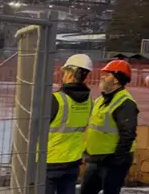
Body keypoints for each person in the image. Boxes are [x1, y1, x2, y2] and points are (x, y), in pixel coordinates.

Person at [80, 59, 139, 194]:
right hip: (96, 159)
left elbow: (128, 134)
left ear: (116, 80)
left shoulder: (126, 103)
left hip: (112, 162)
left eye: (107, 75)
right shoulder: (101, 99)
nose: (102, 77)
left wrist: (117, 160)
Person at [46, 54, 94, 194]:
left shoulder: (56, 100)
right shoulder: (89, 101)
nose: (63, 75)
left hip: (50, 161)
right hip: (73, 162)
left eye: (65, 72)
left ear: (70, 74)